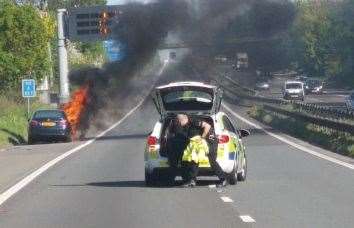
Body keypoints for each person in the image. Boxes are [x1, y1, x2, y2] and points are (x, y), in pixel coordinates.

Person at [167, 114, 227, 187]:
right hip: (200, 143)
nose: (178, 124)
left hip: (210, 141)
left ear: (181, 120)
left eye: (178, 122)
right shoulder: (186, 126)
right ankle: (192, 180)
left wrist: (202, 138)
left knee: (212, 161)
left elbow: (207, 126)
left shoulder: (193, 121)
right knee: (194, 159)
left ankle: (223, 179)